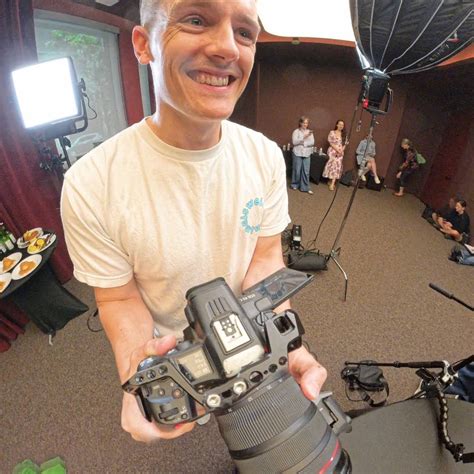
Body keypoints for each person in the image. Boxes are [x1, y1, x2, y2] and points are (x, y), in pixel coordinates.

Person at [60, 0, 326, 443]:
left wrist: (287, 344)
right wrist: (138, 372)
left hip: (251, 335)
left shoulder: (264, 156)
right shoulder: (91, 183)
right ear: (144, 45)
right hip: (179, 353)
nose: (228, 48)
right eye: (197, 20)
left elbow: (265, 260)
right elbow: (118, 298)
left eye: (245, 33)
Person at [290, 116, 314, 194]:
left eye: (306, 123)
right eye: (304, 123)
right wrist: (304, 137)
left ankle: (305, 187)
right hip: (297, 153)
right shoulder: (296, 131)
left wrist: (303, 143)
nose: (305, 124)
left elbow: (312, 142)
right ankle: (294, 184)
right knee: (297, 170)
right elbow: (294, 142)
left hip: (307, 153)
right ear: (300, 123)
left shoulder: (310, 132)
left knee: (306, 171)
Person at [322, 119, 347, 191]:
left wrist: (341, 151)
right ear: (337, 125)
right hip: (332, 150)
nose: (341, 126)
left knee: (337, 164)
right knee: (333, 163)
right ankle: (330, 180)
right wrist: (337, 150)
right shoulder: (332, 132)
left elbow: (345, 144)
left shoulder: (344, 134)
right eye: (340, 124)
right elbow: (331, 143)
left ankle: (332, 183)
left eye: (342, 125)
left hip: (340, 151)